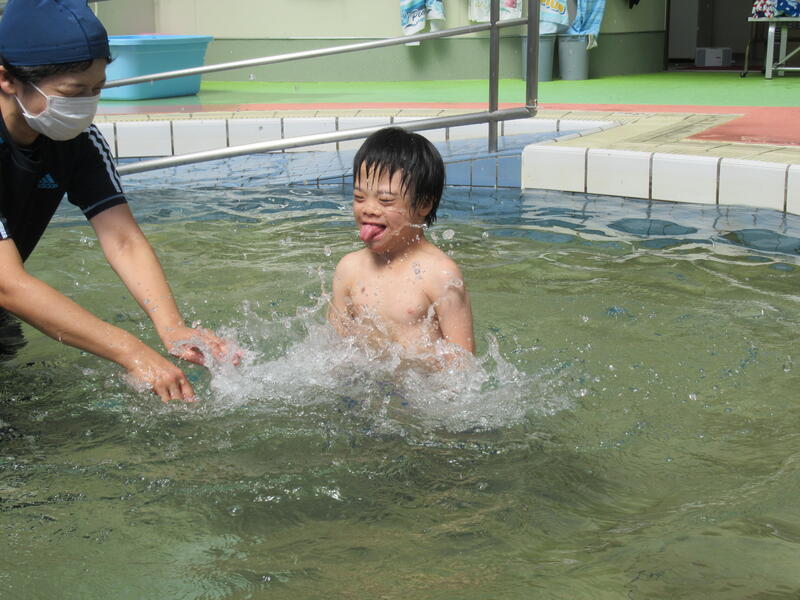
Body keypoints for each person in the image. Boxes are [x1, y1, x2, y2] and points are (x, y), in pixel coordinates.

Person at [0, 0, 236, 402]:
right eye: (73, 92)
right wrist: (131, 352)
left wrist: (172, 326)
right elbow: (8, 282)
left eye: (97, 89)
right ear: (8, 79)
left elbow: (122, 239)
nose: (87, 104)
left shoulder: (78, 142)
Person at [328, 127, 474, 362]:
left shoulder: (440, 274)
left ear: (423, 205)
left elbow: (462, 365)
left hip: (424, 383)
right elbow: (333, 350)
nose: (369, 209)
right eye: (359, 197)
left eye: (385, 200)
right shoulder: (349, 268)